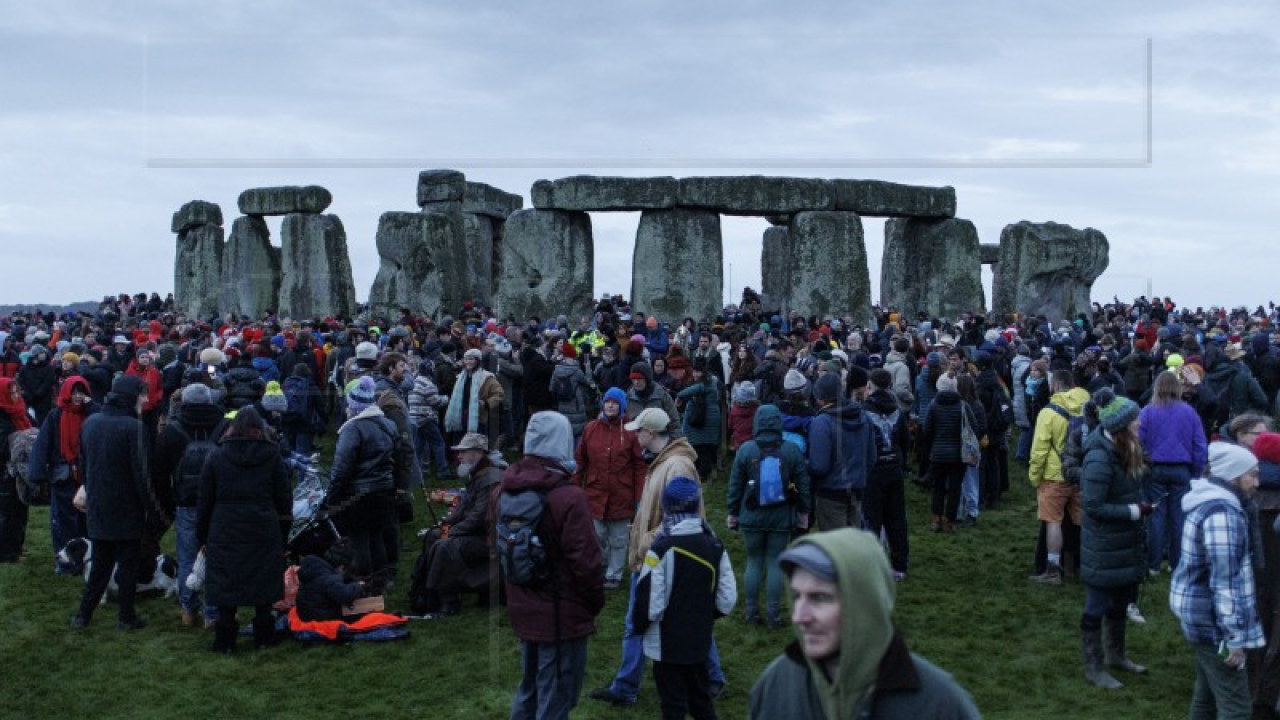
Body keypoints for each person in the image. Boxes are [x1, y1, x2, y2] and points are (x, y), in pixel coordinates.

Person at [748, 528, 980, 719]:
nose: (799, 617)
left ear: (865, 603)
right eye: (797, 596)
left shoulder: (940, 705)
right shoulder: (776, 685)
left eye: (820, 598)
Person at [590, 407, 726, 706]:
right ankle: (628, 686)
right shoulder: (664, 462)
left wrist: (645, 538)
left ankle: (630, 687)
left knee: (652, 621)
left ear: (650, 433)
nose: (635, 435)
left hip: (664, 557)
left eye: (639, 430)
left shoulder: (676, 466)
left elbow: (681, 517)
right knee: (676, 620)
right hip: (659, 554)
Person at [502, 411, 605, 720]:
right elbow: (586, 562)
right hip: (562, 613)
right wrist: (594, 602)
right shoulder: (569, 497)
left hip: (523, 607)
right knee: (557, 697)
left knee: (530, 689)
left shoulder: (504, 490)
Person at [1170, 442, 1264, 718]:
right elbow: (1225, 582)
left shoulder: (1213, 504)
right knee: (1236, 707)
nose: (1257, 483)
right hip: (1214, 624)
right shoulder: (1223, 514)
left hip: (1203, 616)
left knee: (1207, 697)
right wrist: (1233, 637)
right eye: (1252, 474)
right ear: (1233, 476)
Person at [634, 476, 737, 720]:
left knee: (672, 703)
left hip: (666, 641)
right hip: (699, 637)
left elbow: (650, 603)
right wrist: (706, 615)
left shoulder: (661, 548)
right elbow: (727, 598)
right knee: (701, 698)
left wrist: (639, 627)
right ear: (696, 505)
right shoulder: (714, 545)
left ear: (666, 507)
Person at [197, 408, 291, 653]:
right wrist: (283, 530)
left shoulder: (217, 456)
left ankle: (225, 640)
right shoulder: (271, 454)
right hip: (262, 524)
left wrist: (202, 535)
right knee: (262, 580)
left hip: (225, 526)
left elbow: (205, 500)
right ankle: (263, 637)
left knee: (227, 581)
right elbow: (284, 497)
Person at [69, 375, 153, 630]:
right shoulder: (133, 427)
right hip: (126, 507)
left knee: (100, 565)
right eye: (142, 395)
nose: (146, 400)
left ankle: (84, 615)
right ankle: (126, 617)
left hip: (99, 505)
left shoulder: (91, 423)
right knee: (127, 566)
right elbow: (142, 474)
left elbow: (83, 465)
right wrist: (151, 509)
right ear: (131, 396)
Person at [1078, 395, 1149, 689]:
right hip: (1105, 546)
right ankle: (1093, 667)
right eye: (1135, 419)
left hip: (1125, 542)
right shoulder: (1098, 457)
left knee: (1121, 600)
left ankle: (1116, 656)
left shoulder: (1126, 447)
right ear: (1121, 425)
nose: (1140, 422)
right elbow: (1092, 505)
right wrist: (1133, 511)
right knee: (1096, 605)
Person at [727, 404, 810, 627]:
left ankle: (751, 612)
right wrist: (803, 513)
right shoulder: (792, 449)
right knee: (775, 562)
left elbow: (735, 486)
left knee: (753, 562)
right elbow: (803, 485)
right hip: (781, 517)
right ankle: (774, 614)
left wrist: (732, 513)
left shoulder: (746, 450)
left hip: (751, 515)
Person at [151, 382, 224, 628]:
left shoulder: (172, 431)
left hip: (186, 501)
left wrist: (169, 501)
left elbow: (158, 473)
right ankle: (213, 613)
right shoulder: (224, 426)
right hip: (218, 502)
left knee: (187, 556)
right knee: (216, 555)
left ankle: (189, 609)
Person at [411, 433, 502, 617]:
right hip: (477, 532)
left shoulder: (491, 479)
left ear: (478, 453)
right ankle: (429, 593)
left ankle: (449, 601)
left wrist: (451, 531)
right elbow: (463, 509)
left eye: (463, 451)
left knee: (444, 545)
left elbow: (478, 517)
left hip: (489, 538)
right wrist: (445, 525)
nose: (458, 456)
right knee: (433, 535)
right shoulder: (478, 474)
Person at [573, 388, 646, 590]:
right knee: (597, 536)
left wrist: (640, 494)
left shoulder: (631, 432)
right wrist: (574, 487)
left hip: (621, 494)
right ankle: (599, 567)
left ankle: (613, 574)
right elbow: (580, 460)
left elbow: (639, 465)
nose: (610, 406)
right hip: (595, 493)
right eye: (607, 402)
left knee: (619, 538)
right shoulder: (591, 429)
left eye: (615, 403)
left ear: (621, 406)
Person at [327, 376, 400, 577]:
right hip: (384, 488)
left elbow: (341, 469)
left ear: (354, 406)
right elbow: (399, 456)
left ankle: (365, 583)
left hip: (359, 493)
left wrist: (332, 498)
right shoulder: (388, 424)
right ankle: (380, 581)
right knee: (376, 536)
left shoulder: (353, 429)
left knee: (360, 539)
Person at [1138, 370, 1207, 574]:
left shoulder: (1148, 411)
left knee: (1156, 517)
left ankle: (1154, 565)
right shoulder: (1189, 412)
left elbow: (1137, 440)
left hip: (1156, 469)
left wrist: (1143, 462)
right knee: (1179, 518)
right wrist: (1196, 473)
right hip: (1181, 470)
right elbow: (1199, 445)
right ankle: (1177, 564)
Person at [28, 376, 96, 571]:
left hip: (86, 476)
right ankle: (65, 562)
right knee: (63, 522)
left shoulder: (91, 414)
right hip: (63, 476)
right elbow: (42, 445)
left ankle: (86, 560)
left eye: (81, 392)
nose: (77, 397)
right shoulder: (55, 416)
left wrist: (92, 406)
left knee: (87, 521)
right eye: (74, 392)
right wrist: (37, 474)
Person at [1028, 370, 1090, 584]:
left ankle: (1053, 569)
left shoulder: (1048, 412)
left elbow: (1039, 450)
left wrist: (1035, 477)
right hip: (1082, 473)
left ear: (1054, 385)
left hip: (1054, 474)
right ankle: (1087, 566)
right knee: (1083, 522)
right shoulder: (1088, 407)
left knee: (1053, 522)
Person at [808, 372, 877, 532]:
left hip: (830, 493)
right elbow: (871, 457)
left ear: (820, 397)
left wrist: (805, 467)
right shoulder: (864, 417)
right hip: (856, 490)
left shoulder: (822, 422)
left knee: (835, 548)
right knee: (853, 546)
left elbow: (819, 465)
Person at [862, 369, 910, 575]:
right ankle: (899, 564)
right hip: (894, 468)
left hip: (873, 470)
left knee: (872, 519)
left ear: (870, 386)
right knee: (896, 518)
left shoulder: (863, 411)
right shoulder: (898, 411)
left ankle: (873, 564)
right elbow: (905, 441)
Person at [921, 373, 977, 533]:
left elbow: (927, 430)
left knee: (938, 487)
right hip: (958, 455)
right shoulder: (963, 405)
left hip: (938, 453)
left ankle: (936, 519)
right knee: (955, 489)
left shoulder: (933, 405)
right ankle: (950, 521)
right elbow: (974, 427)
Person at [0, 377, 34, 563]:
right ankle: (7, 552)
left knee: (20, 510)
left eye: (16, 392)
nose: (14, 396)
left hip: (18, 470)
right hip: (6, 471)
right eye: (10, 393)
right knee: (8, 512)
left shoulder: (19, 412)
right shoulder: (4, 419)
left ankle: (16, 546)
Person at [444, 348, 504, 449]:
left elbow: (499, 394)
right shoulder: (460, 378)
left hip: (478, 416)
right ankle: (460, 461)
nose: (468, 361)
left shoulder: (487, 377)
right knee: (460, 440)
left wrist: (486, 403)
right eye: (466, 359)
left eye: (471, 359)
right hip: (460, 415)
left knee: (476, 442)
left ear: (478, 361)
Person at [677, 357, 723, 480]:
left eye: (698, 372)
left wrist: (679, 395)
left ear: (704, 372)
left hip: (707, 420)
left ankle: (703, 473)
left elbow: (694, 390)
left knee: (704, 448)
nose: (695, 374)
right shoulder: (705, 382)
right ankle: (701, 472)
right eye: (694, 371)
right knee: (700, 447)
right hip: (703, 419)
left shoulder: (707, 383)